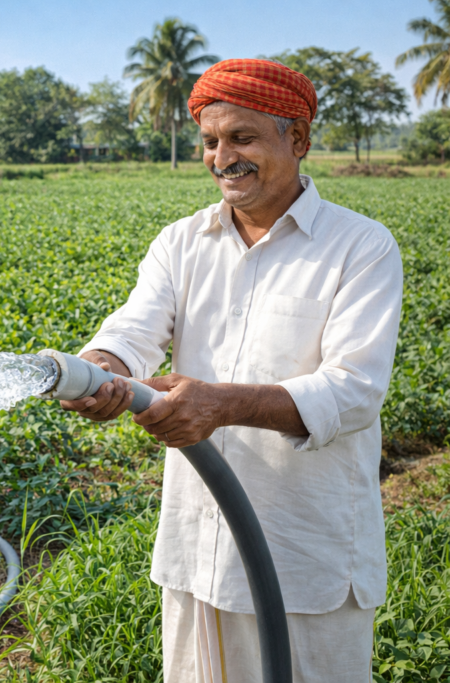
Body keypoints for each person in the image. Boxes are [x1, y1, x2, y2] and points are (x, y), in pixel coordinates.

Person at [62, 59, 402, 683]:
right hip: (198, 550)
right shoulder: (181, 242)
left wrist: (220, 404)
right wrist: (102, 368)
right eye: (211, 141)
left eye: (242, 138)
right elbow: (136, 328)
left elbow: (353, 390)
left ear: (296, 139)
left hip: (307, 551)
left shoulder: (361, 247)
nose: (223, 157)